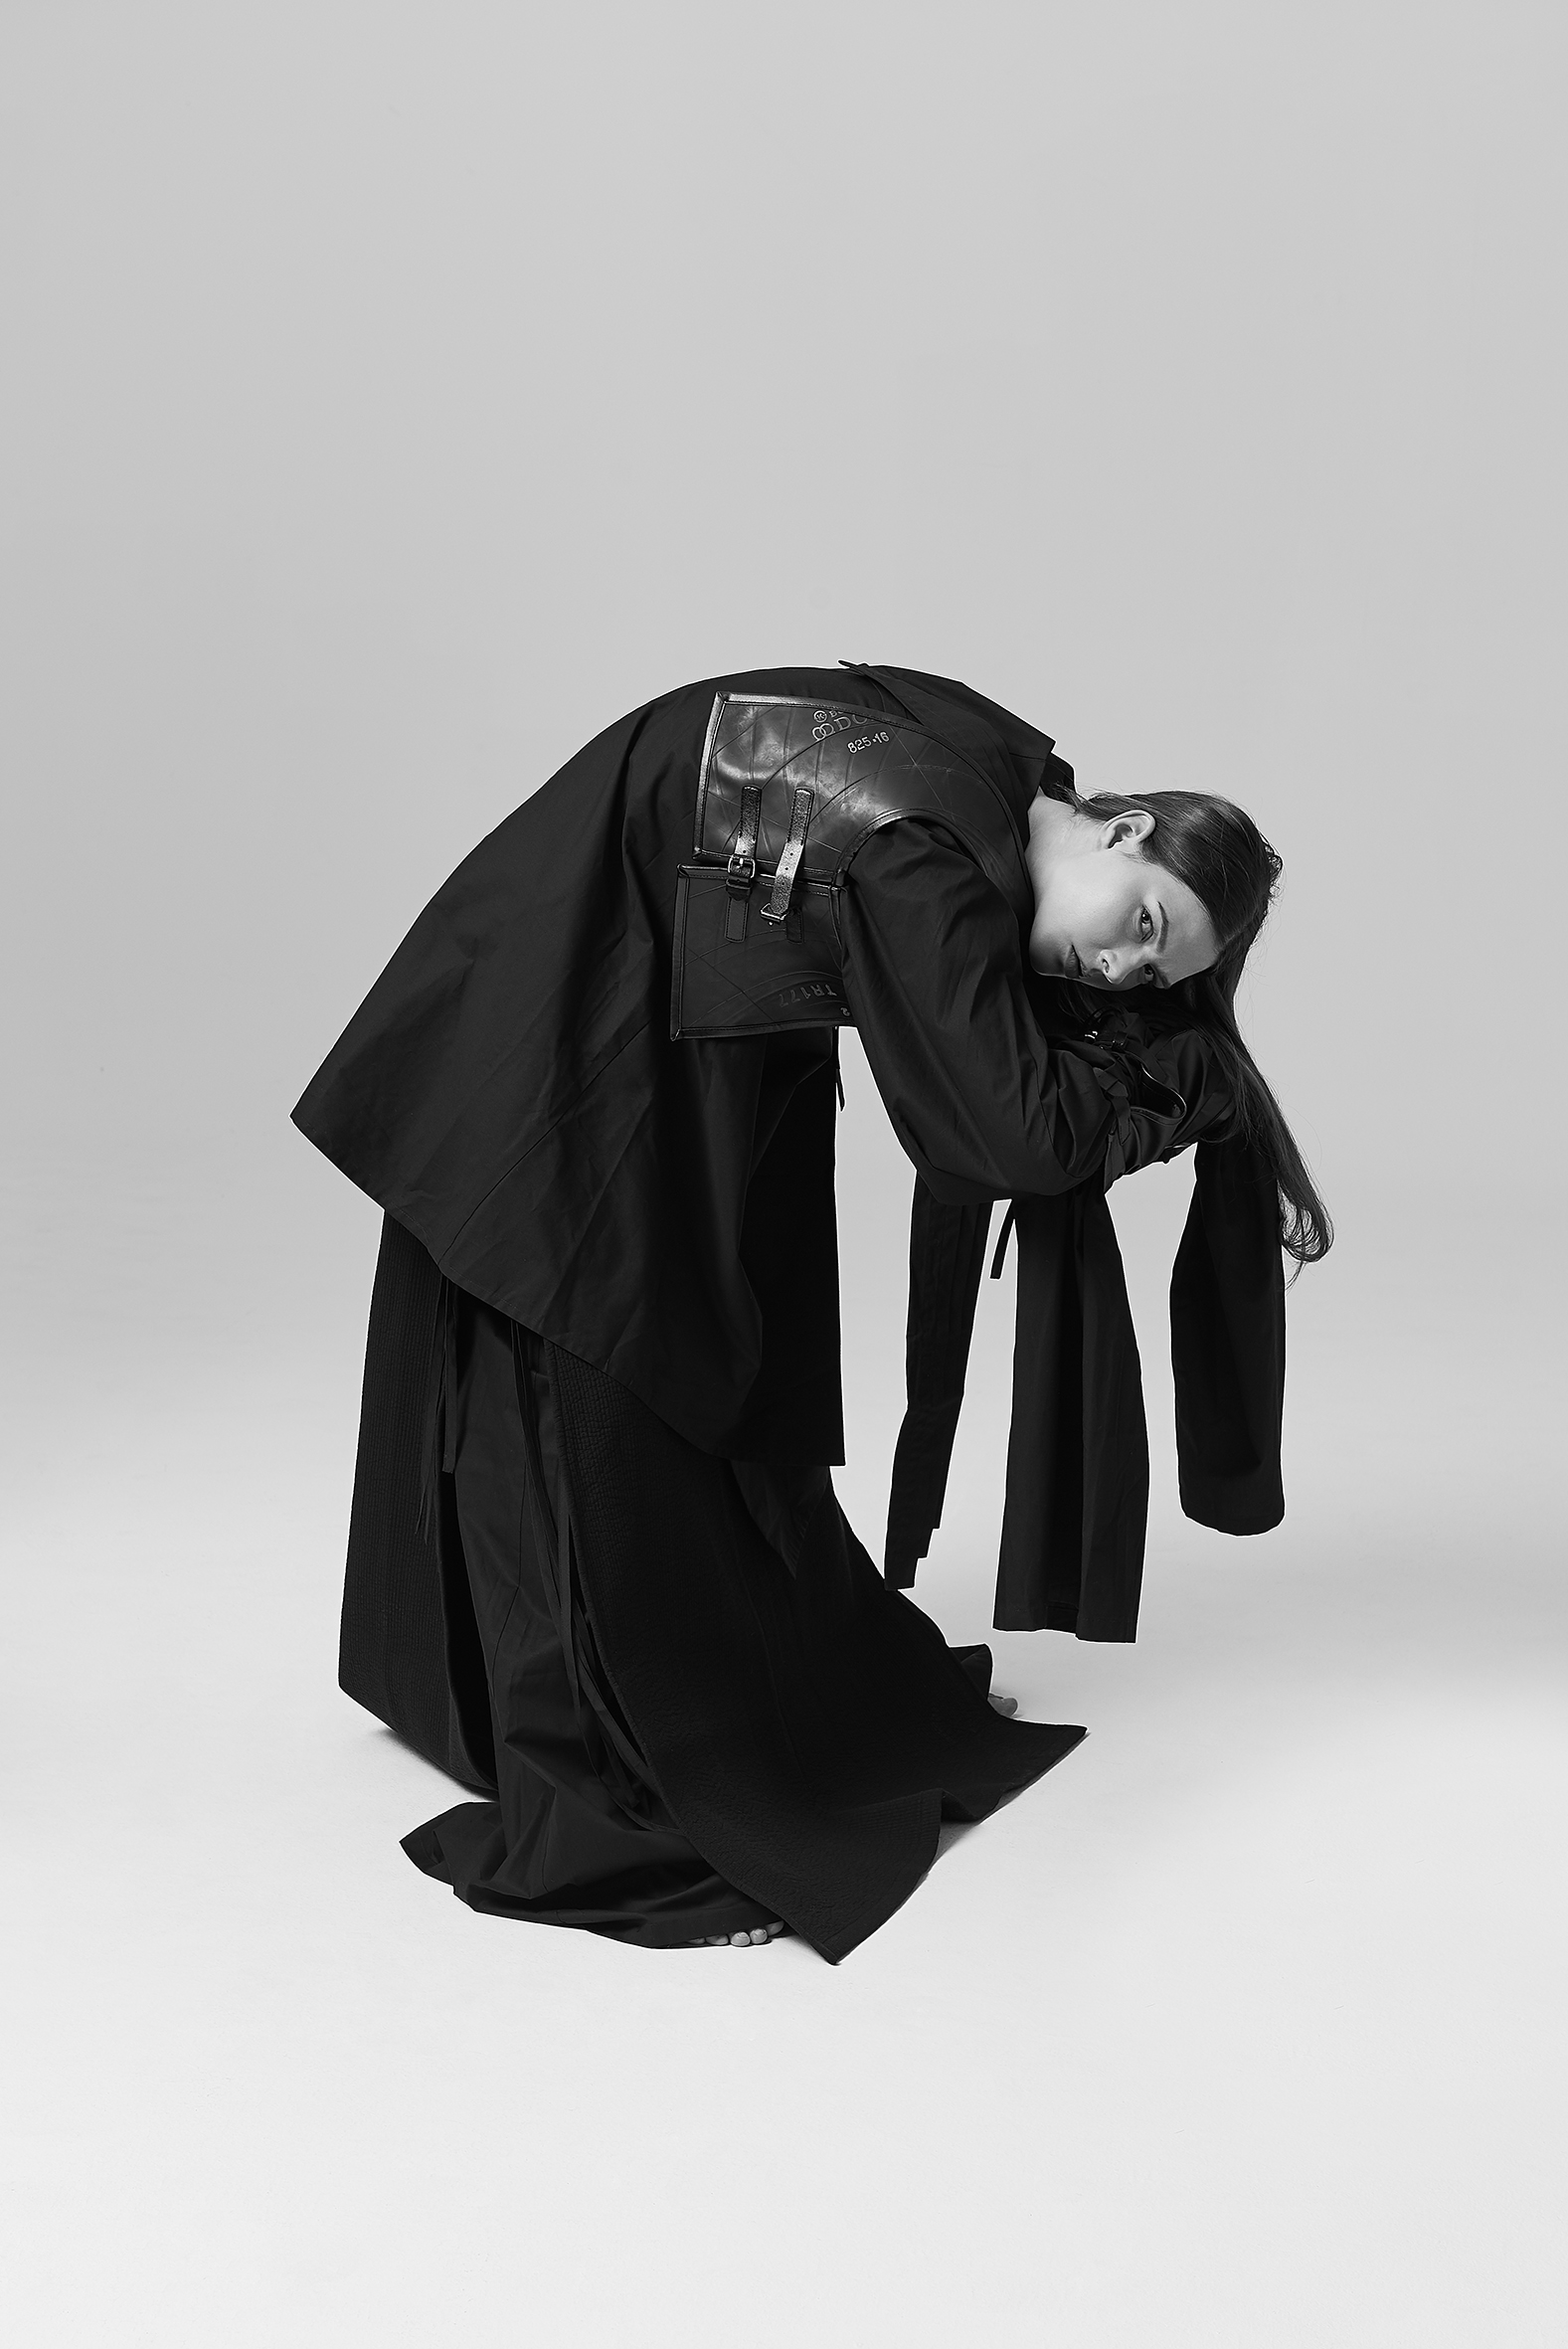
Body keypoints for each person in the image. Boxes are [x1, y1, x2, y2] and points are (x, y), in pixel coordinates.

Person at [293, 661, 1328, 1962]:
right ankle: (628, 1772)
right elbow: (1006, 1132)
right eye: (1145, 924)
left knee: (717, 1364)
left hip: (668, 1014)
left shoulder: (1005, 783)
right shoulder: (925, 854)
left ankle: (725, 1697)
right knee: (594, 1369)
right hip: (582, 1020)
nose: (1118, 968)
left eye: (1149, 975)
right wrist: (1176, 1083)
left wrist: (1144, 1054)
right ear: (1124, 830)